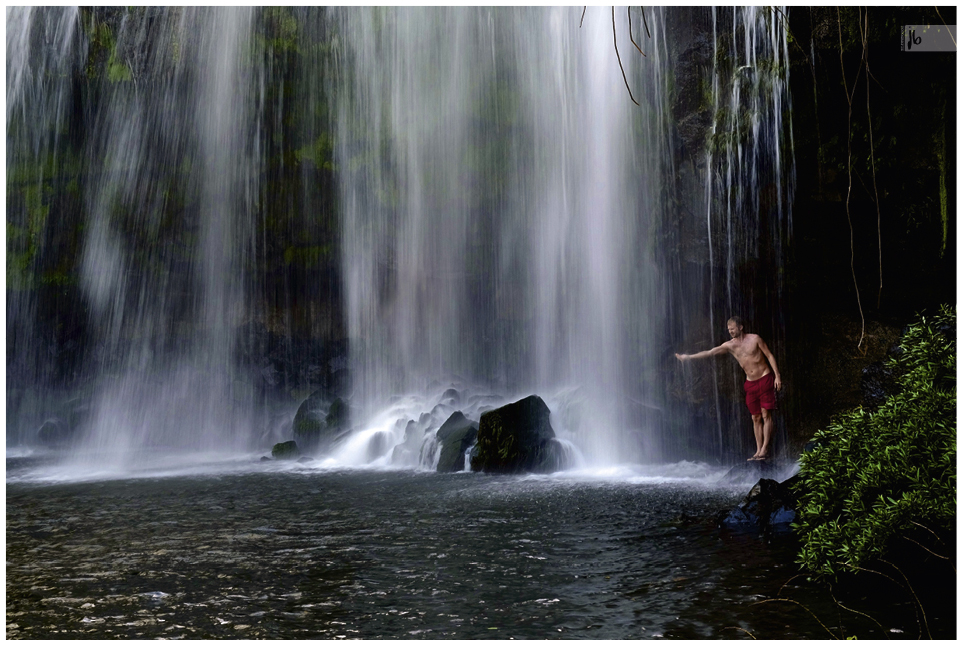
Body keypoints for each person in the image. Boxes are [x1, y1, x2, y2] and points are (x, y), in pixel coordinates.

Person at [675, 316, 782, 461]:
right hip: (750, 383)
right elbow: (710, 352)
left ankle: (764, 449)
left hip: (764, 378)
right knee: (755, 417)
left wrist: (777, 376)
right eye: (728, 330)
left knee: (765, 415)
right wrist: (688, 358)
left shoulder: (755, 339)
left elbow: (769, 355)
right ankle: (758, 451)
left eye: (732, 329)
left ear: (740, 327)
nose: (730, 331)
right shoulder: (729, 346)